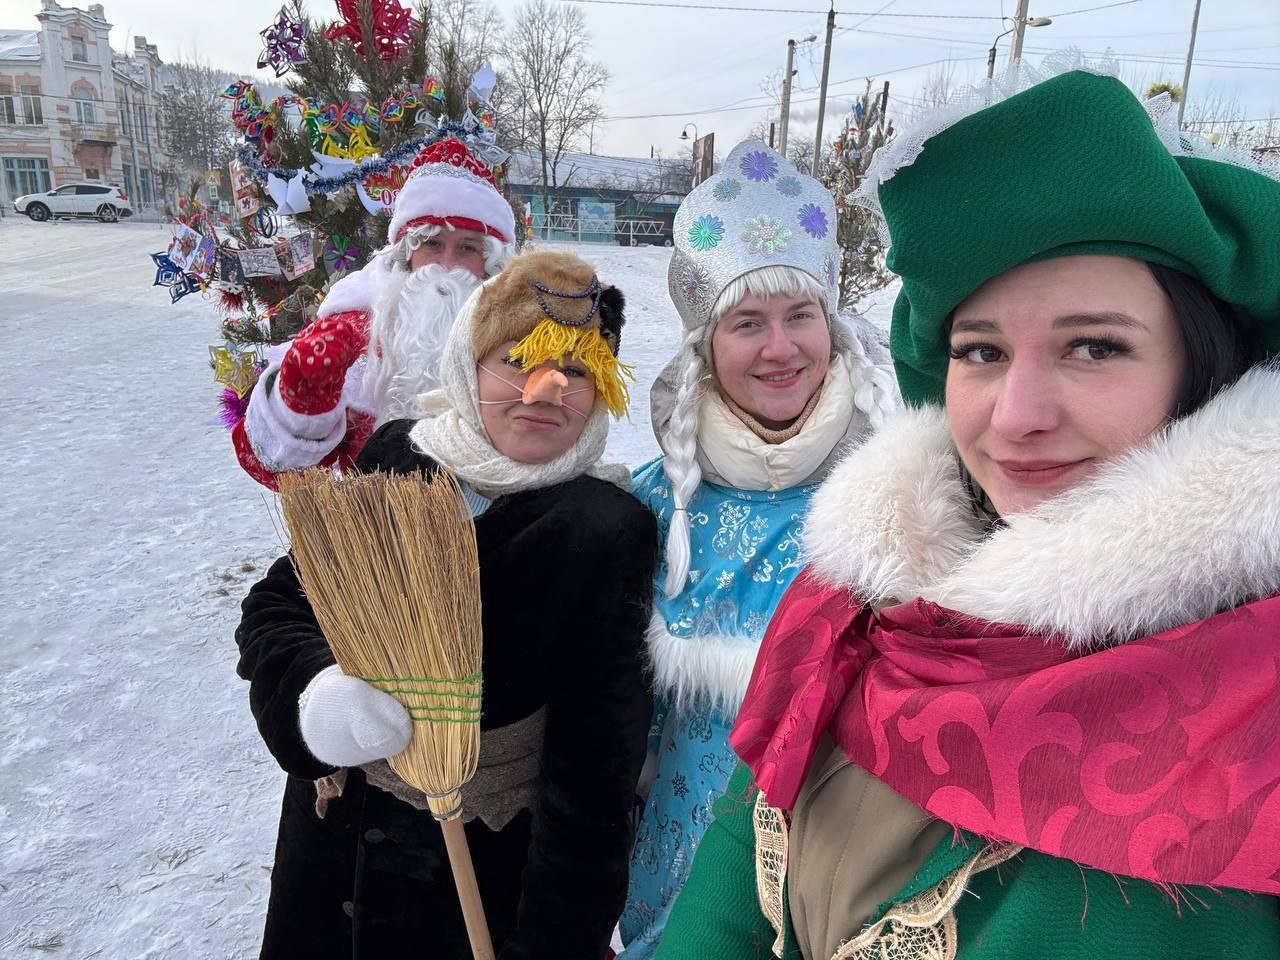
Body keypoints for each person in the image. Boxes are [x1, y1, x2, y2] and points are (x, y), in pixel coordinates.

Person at [655, 64, 1280, 960]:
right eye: (981, 352)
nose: (1017, 417)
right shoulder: (853, 613)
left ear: (1205, 367)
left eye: (1094, 347)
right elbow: (729, 883)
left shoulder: (1253, 689)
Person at [235, 249, 657, 959]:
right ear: (468, 364)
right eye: (517, 360)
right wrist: (313, 698)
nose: (546, 389)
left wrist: (548, 948)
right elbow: (282, 602)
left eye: (577, 369)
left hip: (473, 893)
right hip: (330, 859)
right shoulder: (399, 458)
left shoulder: (602, 530)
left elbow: (592, 786)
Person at [617, 140, 900, 959]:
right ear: (707, 344)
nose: (780, 348)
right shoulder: (652, 506)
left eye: (799, 316)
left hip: (843, 888)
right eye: (747, 323)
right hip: (677, 890)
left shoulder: (900, 495)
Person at [232, 137, 517, 488]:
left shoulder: (518, 334)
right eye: (432, 243)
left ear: (490, 262)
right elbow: (280, 474)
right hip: (376, 517)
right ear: (407, 251)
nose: (446, 264)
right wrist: (299, 400)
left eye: (467, 249)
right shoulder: (354, 326)